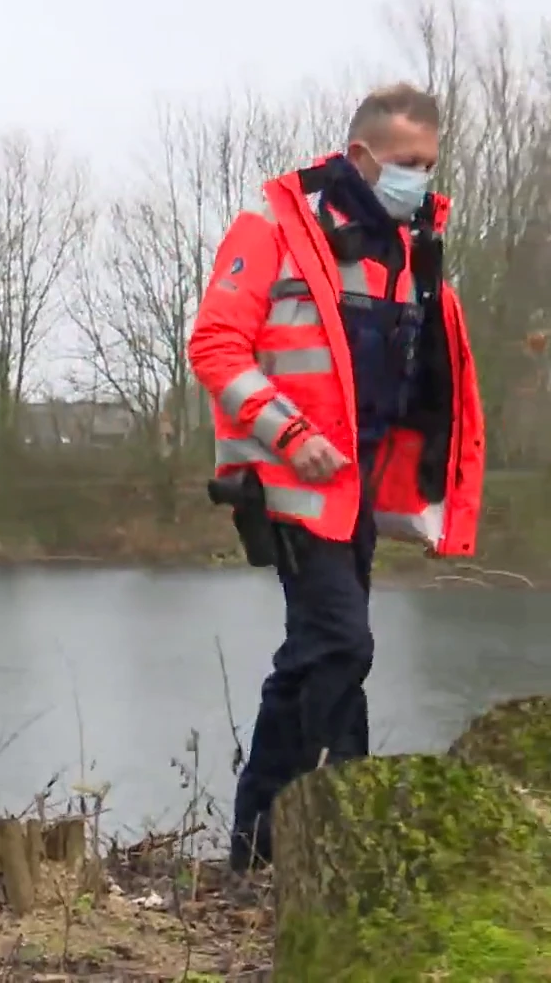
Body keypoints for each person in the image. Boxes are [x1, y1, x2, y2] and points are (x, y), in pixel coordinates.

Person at [188, 82, 485, 873]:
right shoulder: (274, 227)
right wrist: (288, 432)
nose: (419, 177)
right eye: (405, 162)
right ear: (359, 156)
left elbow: (417, 383)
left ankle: (324, 840)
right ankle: (261, 845)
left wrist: (425, 493)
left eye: (428, 163)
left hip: (356, 494)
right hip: (291, 484)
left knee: (336, 653)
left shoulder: (411, 250)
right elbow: (217, 346)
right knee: (337, 644)